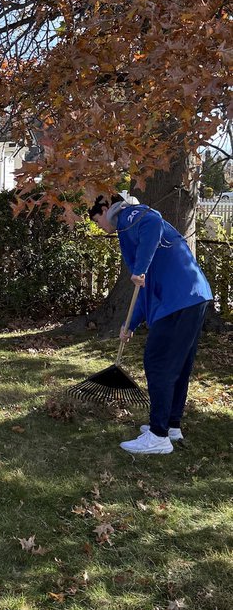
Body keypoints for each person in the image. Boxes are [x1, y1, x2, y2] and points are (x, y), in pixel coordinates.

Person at [89, 192, 213, 455]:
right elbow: (143, 292)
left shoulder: (130, 216)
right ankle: (171, 426)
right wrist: (130, 324)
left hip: (178, 299)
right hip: (192, 296)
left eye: (97, 220)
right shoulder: (128, 228)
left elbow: (153, 221)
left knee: (157, 362)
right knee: (178, 365)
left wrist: (140, 268)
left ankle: (158, 436)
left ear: (106, 208)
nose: (99, 226)